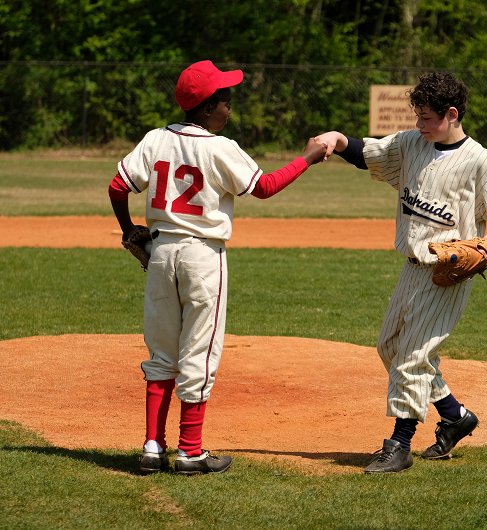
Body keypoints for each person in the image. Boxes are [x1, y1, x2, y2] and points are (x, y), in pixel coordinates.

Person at [108, 60, 327, 475]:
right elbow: (263, 188)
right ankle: (190, 451)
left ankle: (153, 447)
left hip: (161, 253)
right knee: (200, 351)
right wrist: (308, 157)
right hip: (202, 257)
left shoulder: (156, 139)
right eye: (224, 100)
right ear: (207, 108)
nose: (229, 107)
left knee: (161, 350)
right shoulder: (220, 147)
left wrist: (129, 231)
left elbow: (118, 187)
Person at [316, 72, 487, 474]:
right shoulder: (412, 144)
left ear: (452, 115)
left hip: (447, 273)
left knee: (412, 356)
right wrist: (339, 139)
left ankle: (399, 445)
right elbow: (369, 154)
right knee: (390, 348)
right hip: (411, 268)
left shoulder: (479, 161)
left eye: (428, 118)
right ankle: (455, 416)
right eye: (417, 116)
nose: (420, 125)